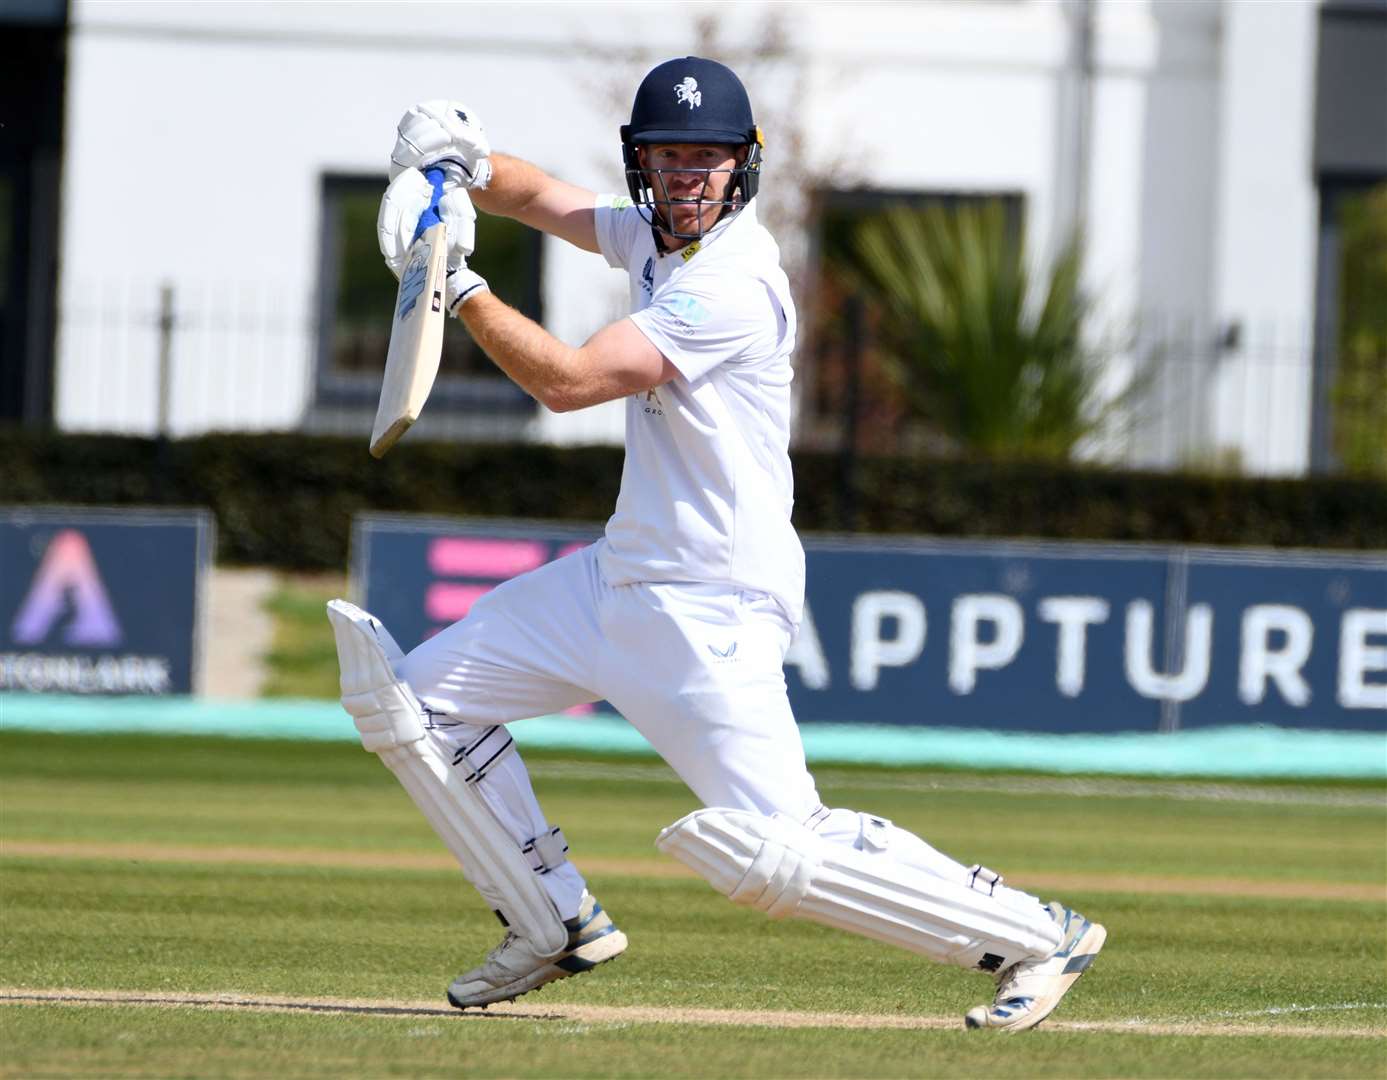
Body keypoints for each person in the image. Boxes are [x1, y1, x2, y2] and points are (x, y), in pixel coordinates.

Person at [327, 56, 1105, 1032]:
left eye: (707, 160)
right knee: (413, 704)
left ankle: (1035, 933)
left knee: (784, 847)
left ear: (743, 170)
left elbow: (568, 383)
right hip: (616, 581)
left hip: (711, 610)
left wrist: (454, 278)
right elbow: (556, 205)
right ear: (642, 165)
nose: (687, 177)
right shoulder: (655, 235)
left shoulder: (731, 285)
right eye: (667, 159)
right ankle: (549, 917)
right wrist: (460, 165)